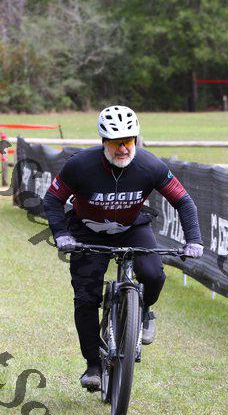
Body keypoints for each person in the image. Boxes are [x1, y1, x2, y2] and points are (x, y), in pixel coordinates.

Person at [43, 105, 203, 391]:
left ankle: (144, 310)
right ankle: (93, 365)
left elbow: (183, 201)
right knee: (86, 298)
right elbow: (53, 199)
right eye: (116, 142)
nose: (123, 148)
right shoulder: (80, 165)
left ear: (136, 139)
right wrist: (62, 235)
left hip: (132, 228)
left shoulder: (150, 165)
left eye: (128, 141)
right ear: (104, 141)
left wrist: (194, 240)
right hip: (87, 231)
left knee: (153, 274)